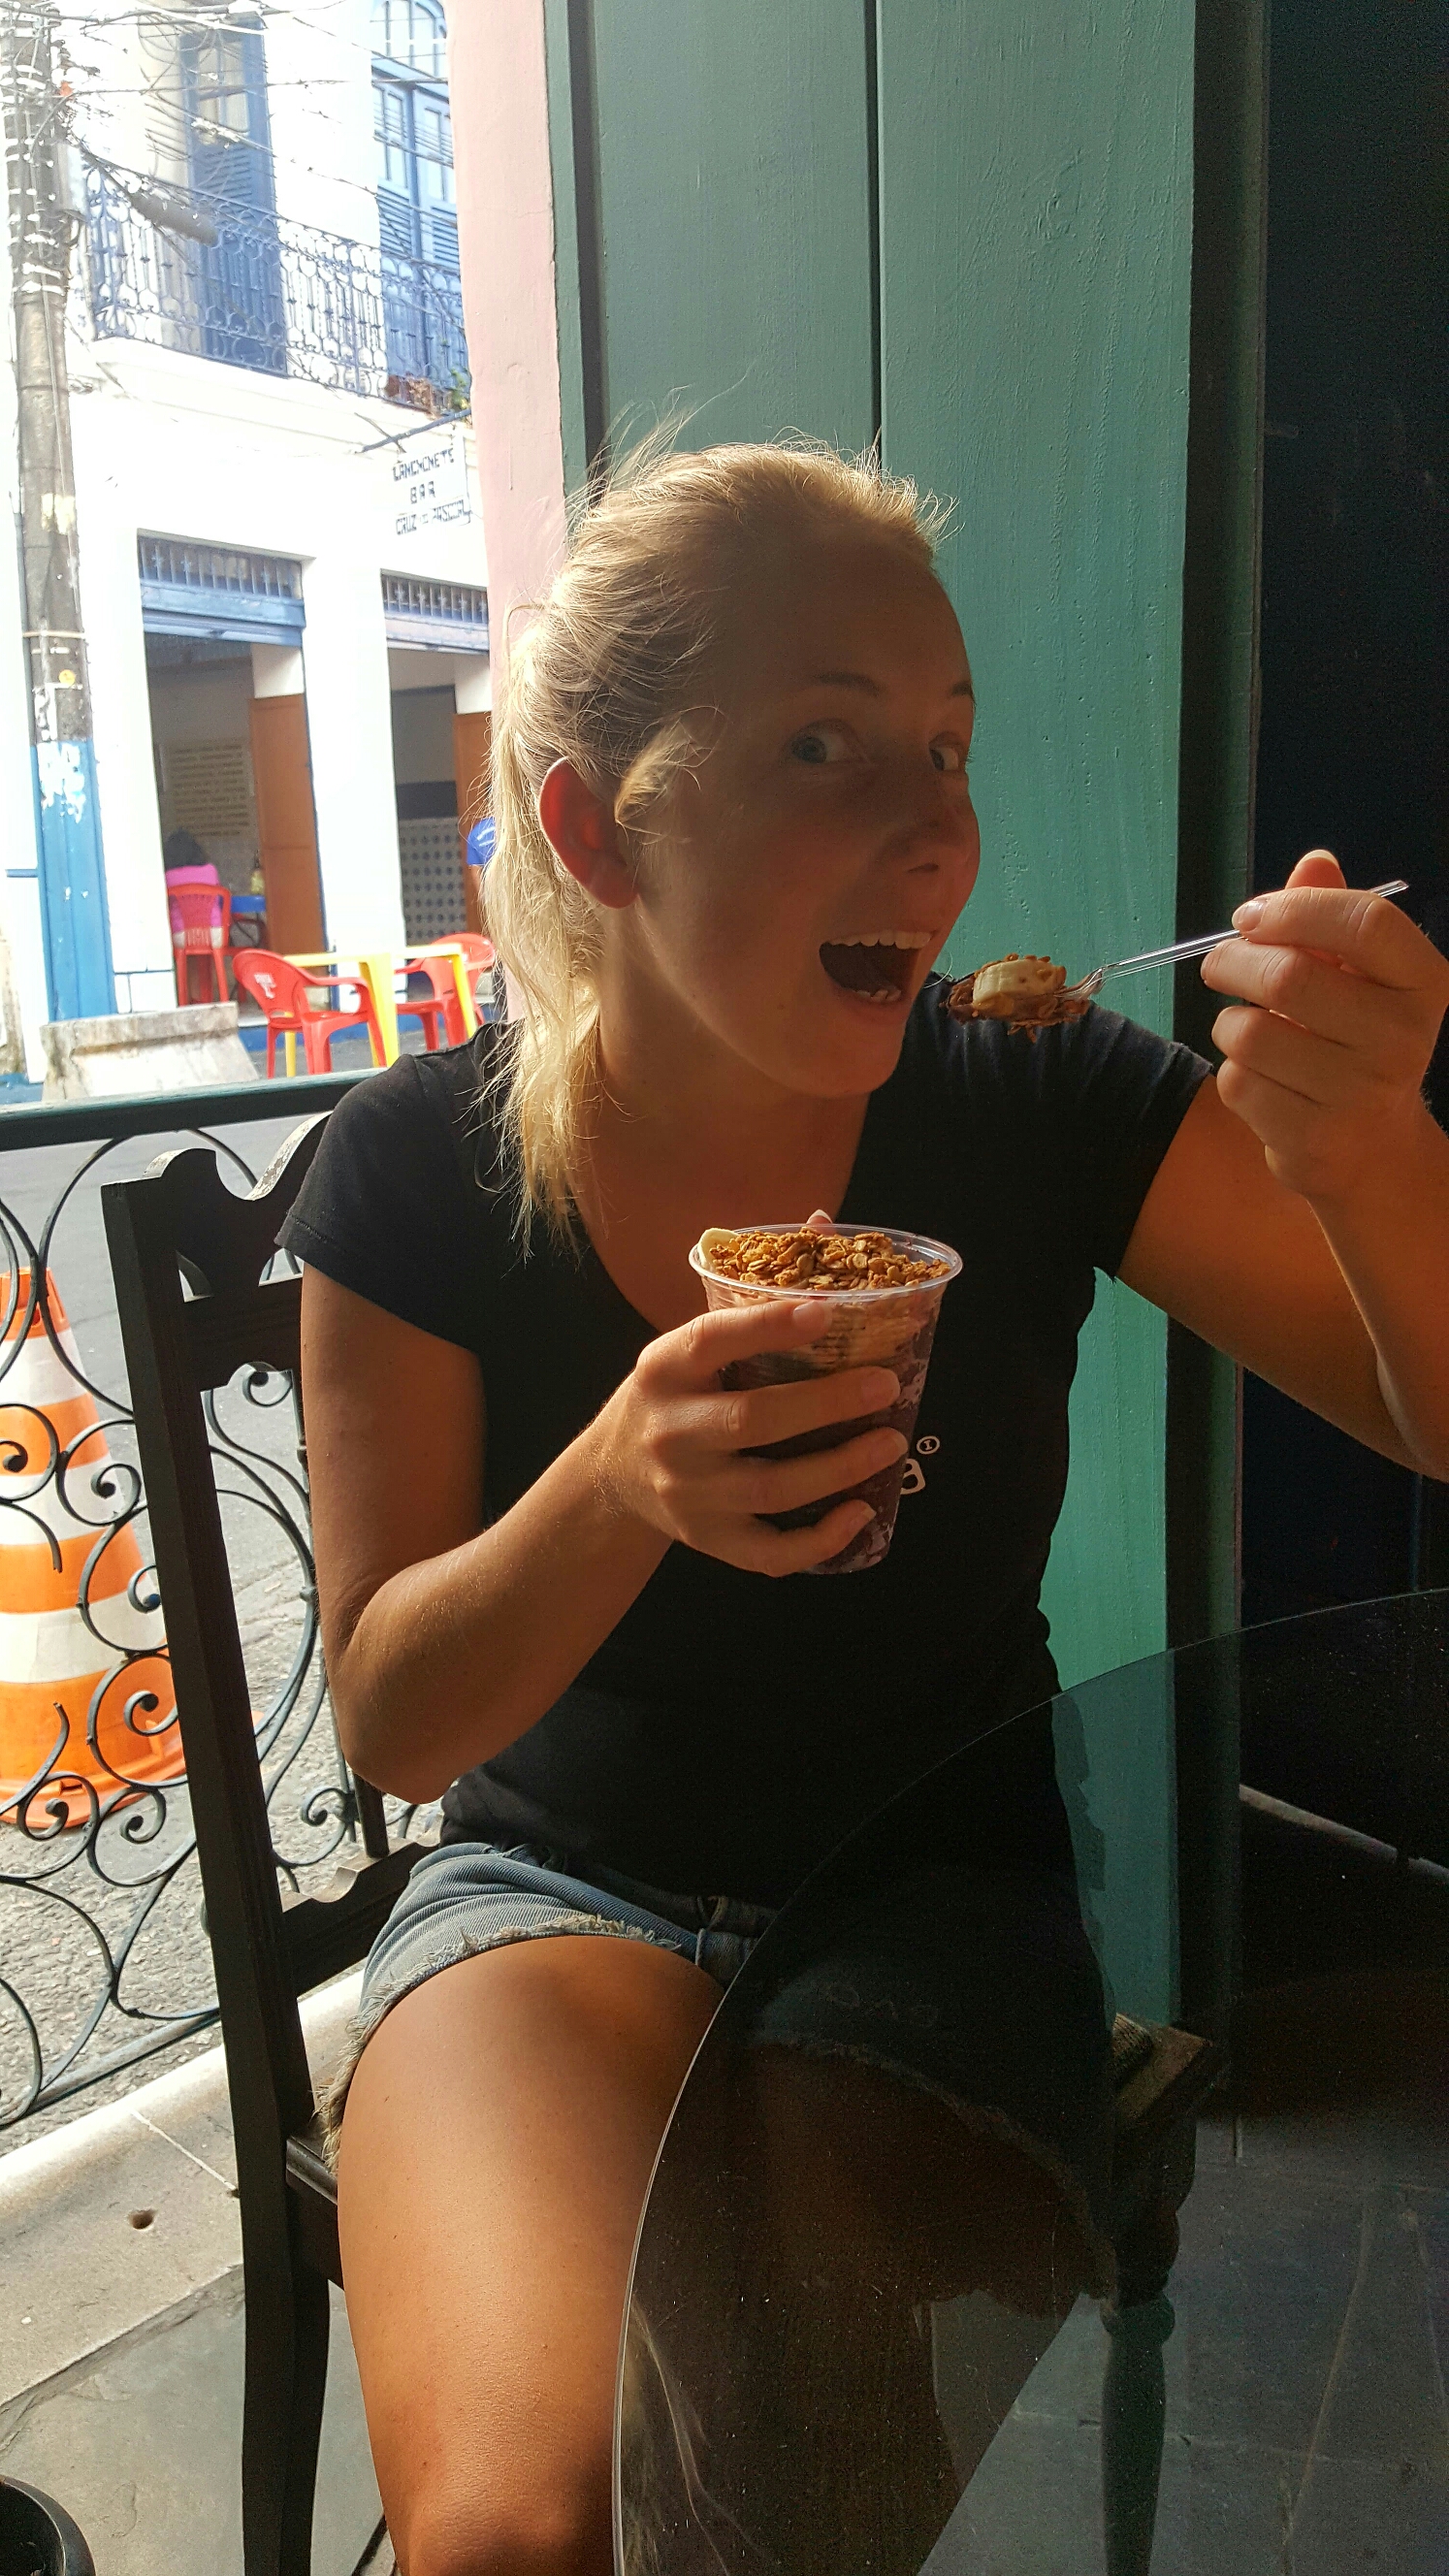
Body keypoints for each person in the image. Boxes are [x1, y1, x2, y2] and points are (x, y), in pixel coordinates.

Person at [281, 440, 1449, 2576]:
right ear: (592, 826)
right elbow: (394, 1720)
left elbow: (1428, 1408)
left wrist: (1373, 1150)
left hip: (941, 1881)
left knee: (802, 2474)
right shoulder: (416, 1167)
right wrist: (619, 1479)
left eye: (949, 746)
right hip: (555, 1885)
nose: (938, 830)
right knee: (513, 2534)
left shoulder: (1037, 1091)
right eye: (825, 743)